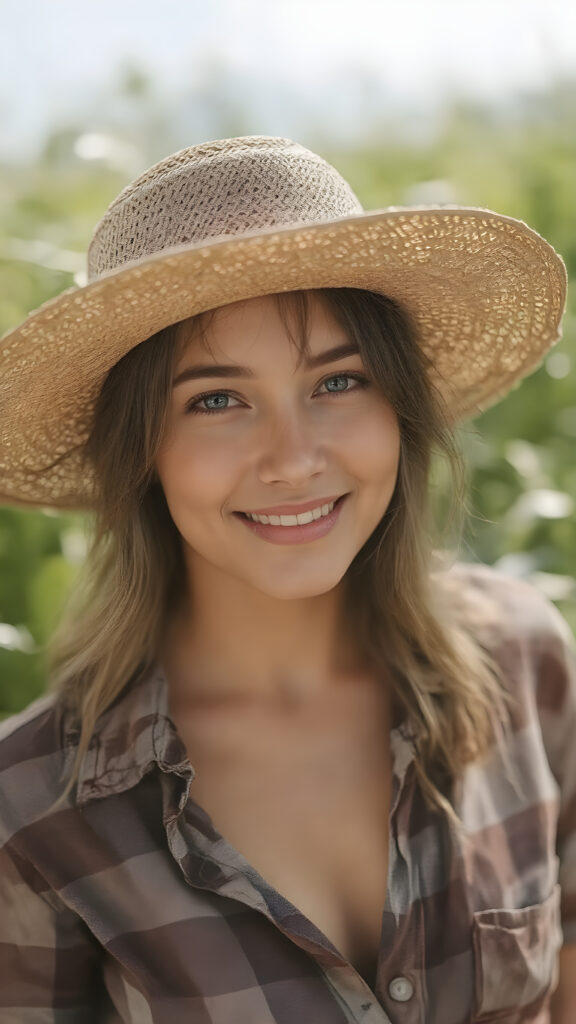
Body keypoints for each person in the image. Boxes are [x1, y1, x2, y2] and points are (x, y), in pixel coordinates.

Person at [0, 134, 574, 1024]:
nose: (294, 458)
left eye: (339, 380)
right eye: (217, 399)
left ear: (400, 408)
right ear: (141, 451)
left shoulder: (526, 662)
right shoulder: (35, 809)